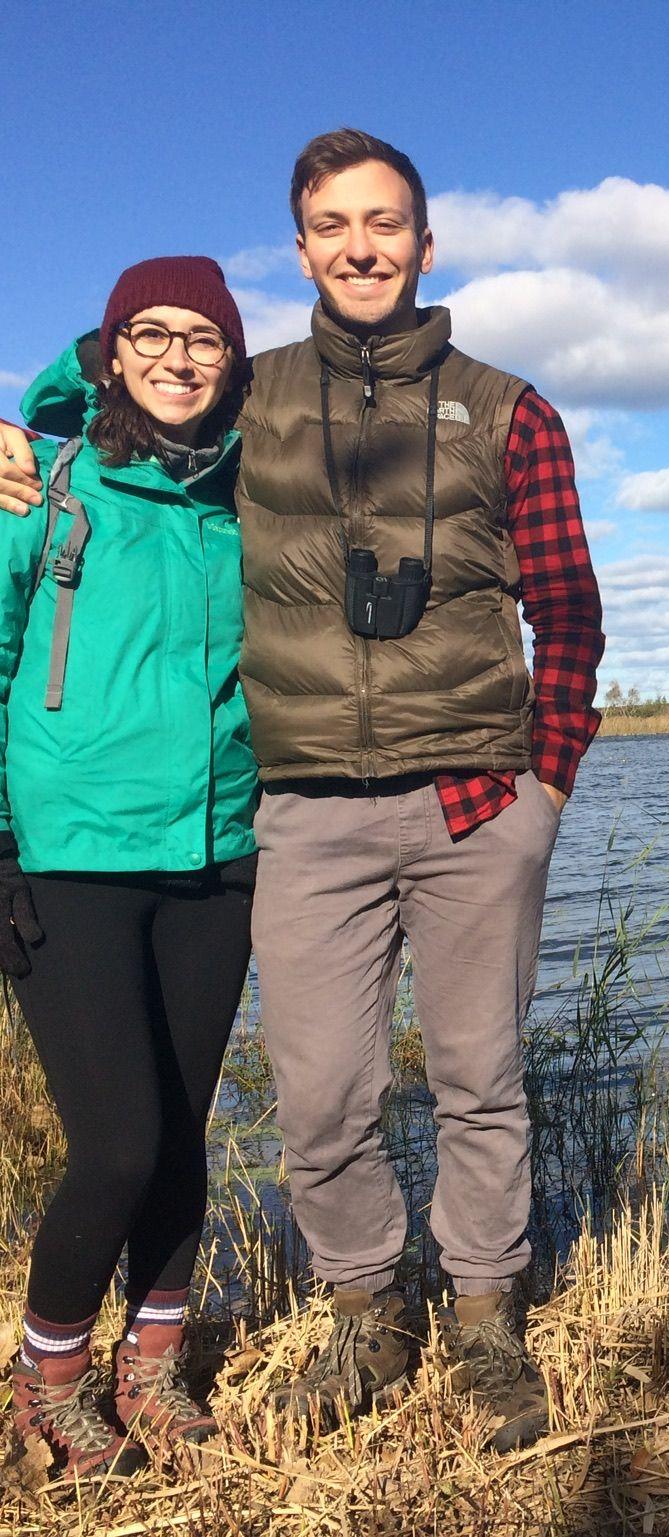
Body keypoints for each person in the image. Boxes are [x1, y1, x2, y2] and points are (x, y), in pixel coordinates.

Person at [1, 130, 605, 1453]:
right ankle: (363, 1310)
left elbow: (567, 614)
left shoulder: (509, 407)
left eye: (384, 222)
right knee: (322, 1094)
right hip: (303, 816)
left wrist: (542, 785)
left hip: (473, 805)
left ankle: (488, 1321)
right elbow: (111, 385)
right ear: (302, 249)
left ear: (424, 243)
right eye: (333, 224)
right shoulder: (252, 400)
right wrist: (17, 425)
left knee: (479, 1078)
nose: (361, 245)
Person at [0, 258, 259, 1482]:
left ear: (234, 360)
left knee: (184, 1136)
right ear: (108, 352)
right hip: (69, 857)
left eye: (203, 337)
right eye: (148, 334)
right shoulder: (40, 487)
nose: (175, 356)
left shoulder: (250, 496)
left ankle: (149, 1366)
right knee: (119, 1143)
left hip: (220, 853)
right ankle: (46, 1376)